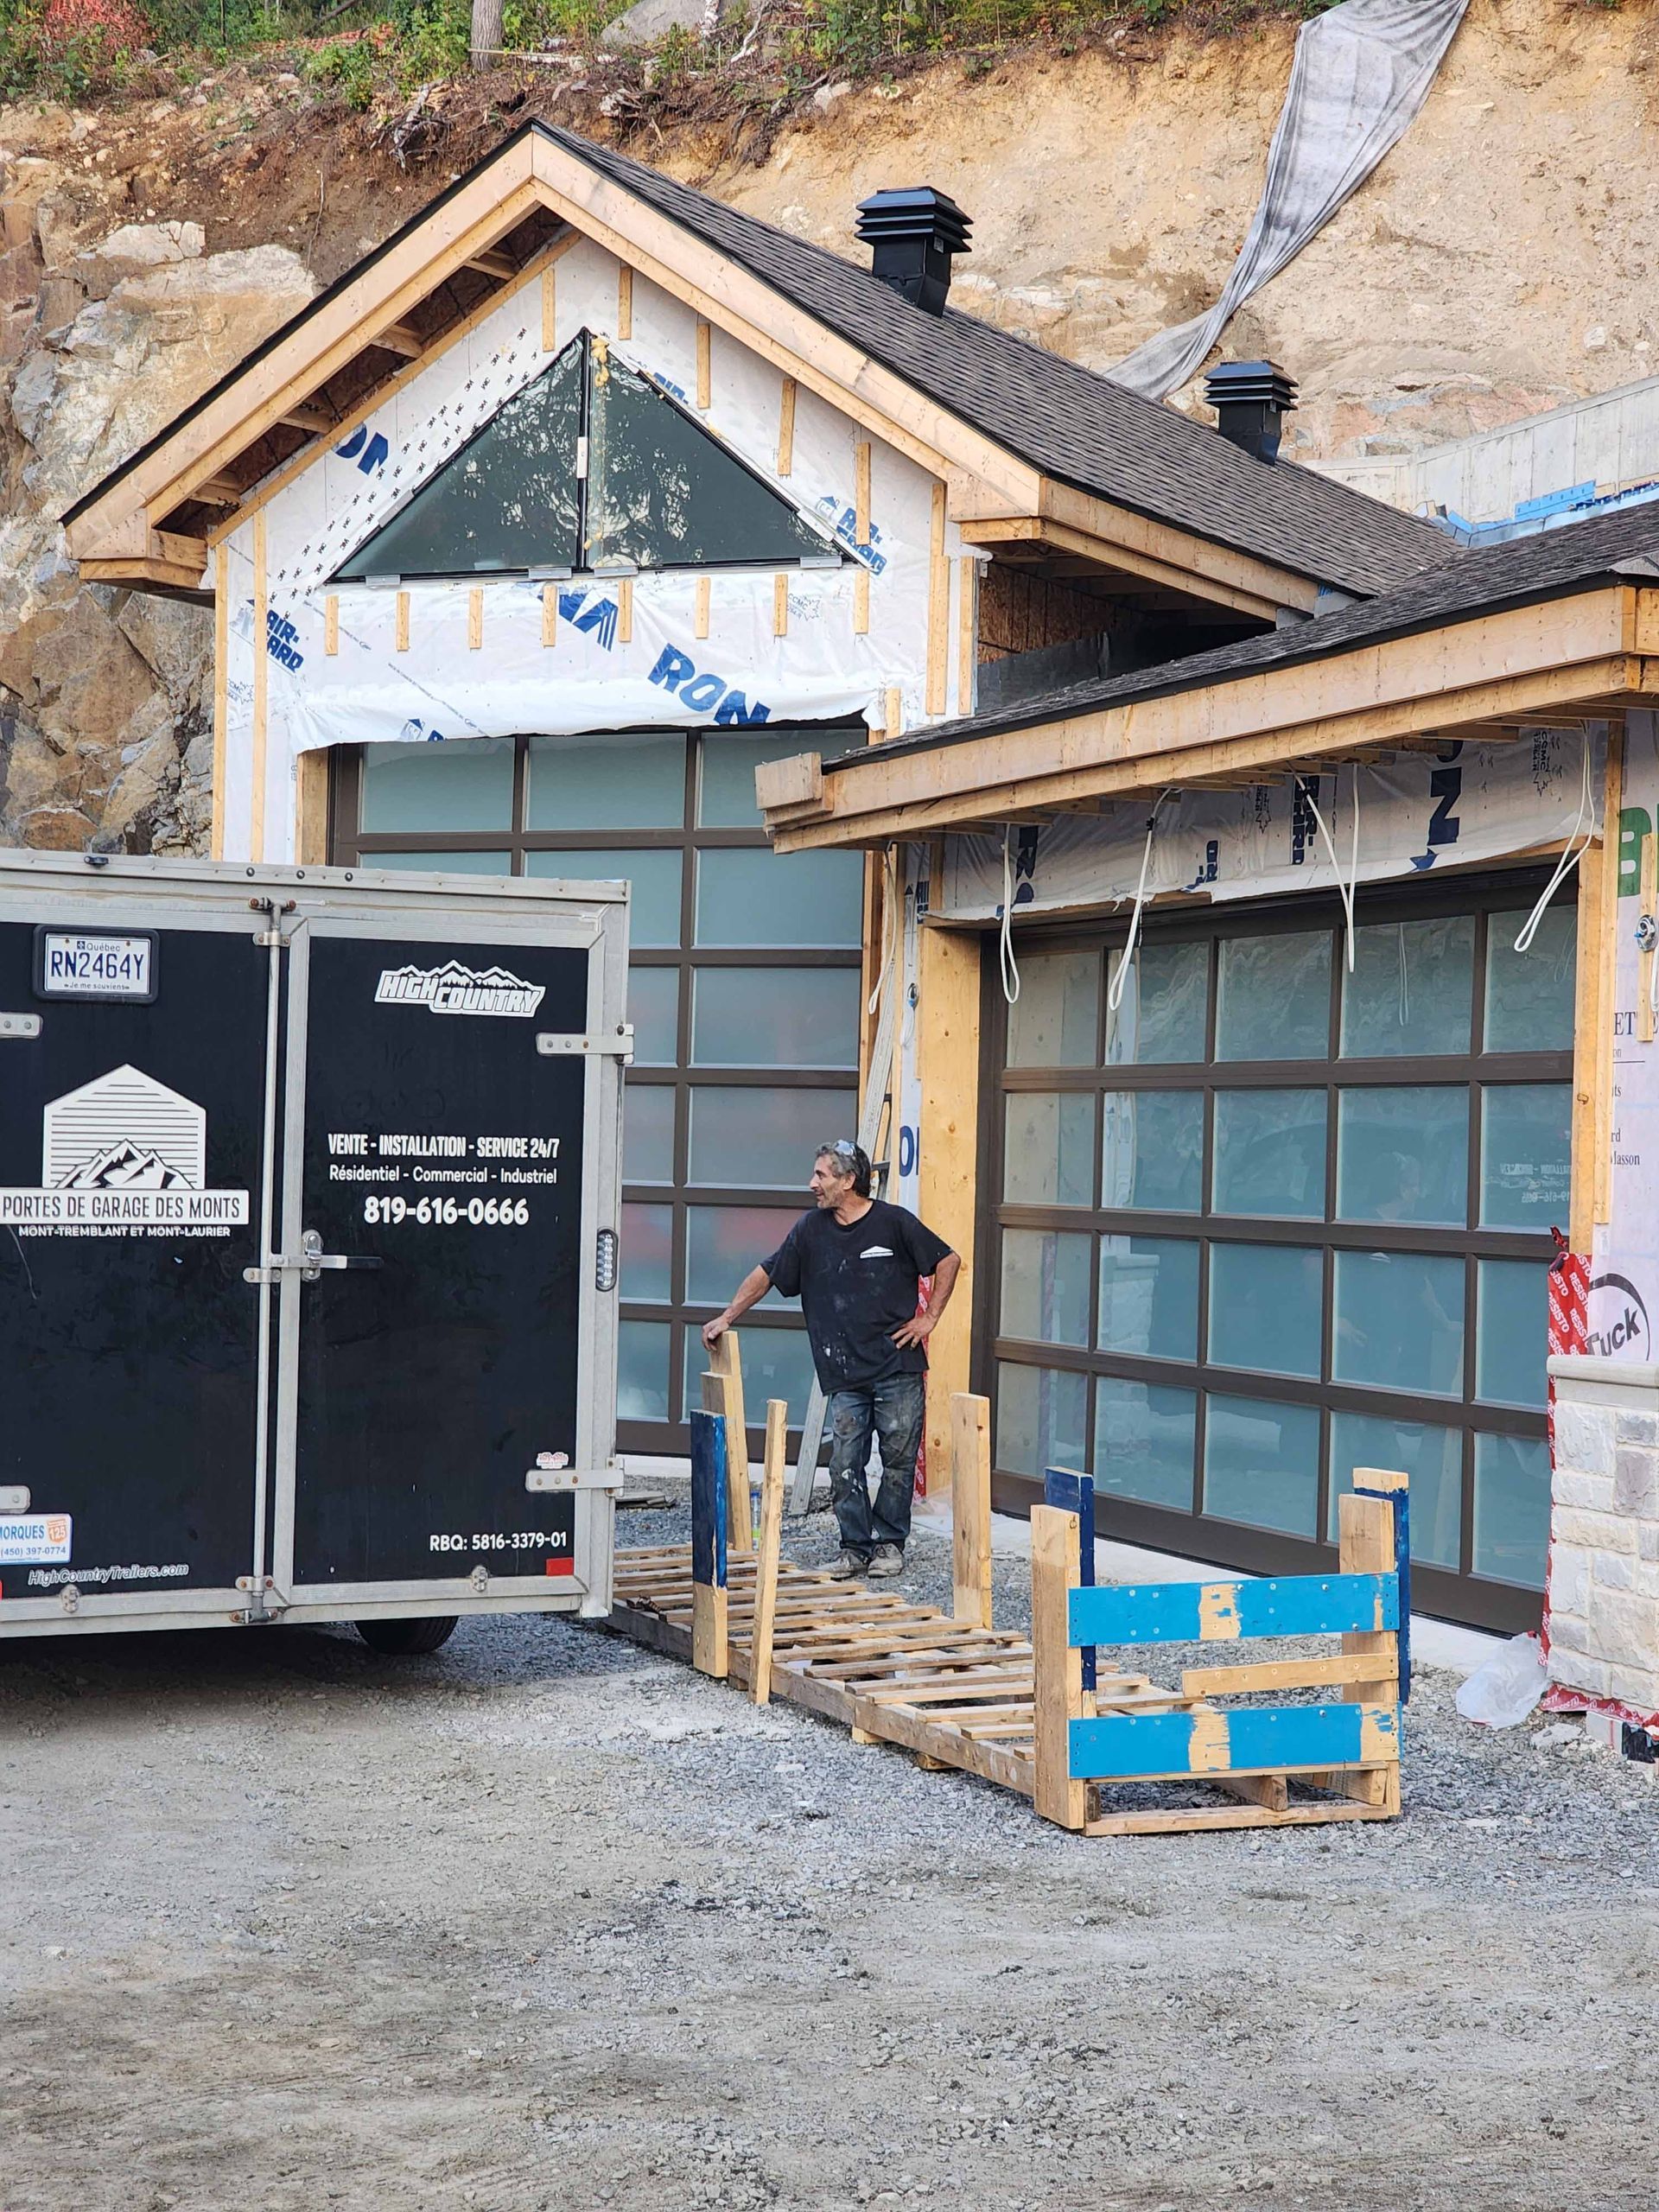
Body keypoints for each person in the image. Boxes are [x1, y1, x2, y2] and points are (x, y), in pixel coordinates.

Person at [702, 1141, 960, 1580]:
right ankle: (854, 1548)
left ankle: (889, 1545)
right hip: (844, 1373)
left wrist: (929, 1318)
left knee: (898, 1461)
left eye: (821, 1175)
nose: (812, 1184)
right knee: (844, 1463)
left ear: (848, 1181)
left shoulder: (893, 1223)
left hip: (898, 1367)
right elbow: (768, 1273)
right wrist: (727, 1315)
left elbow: (948, 1260)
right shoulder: (810, 1231)